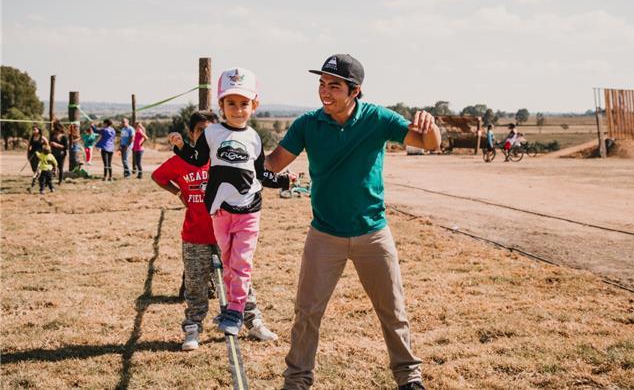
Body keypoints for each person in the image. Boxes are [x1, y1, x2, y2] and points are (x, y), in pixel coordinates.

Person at [262, 54, 441, 390]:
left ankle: (409, 378)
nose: (324, 92)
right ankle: (297, 380)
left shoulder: (379, 119)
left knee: (393, 311)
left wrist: (431, 130)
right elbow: (273, 163)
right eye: (321, 84)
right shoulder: (307, 124)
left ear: (355, 91)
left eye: (334, 85)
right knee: (307, 313)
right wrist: (240, 149)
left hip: (373, 233)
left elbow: (429, 144)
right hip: (324, 234)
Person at [169, 67, 291, 336]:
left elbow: (260, 174)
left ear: (254, 105)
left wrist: (283, 180)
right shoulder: (211, 134)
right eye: (231, 103)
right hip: (220, 212)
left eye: (244, 103)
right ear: (221, 105)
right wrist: (180, 147)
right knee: (227, 261)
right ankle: (229, 311)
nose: (238, 109)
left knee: (242, 262)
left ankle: (236, 311)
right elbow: (198, 160)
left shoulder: (254, 138)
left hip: (249, 210)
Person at [154, 111, 279, 350]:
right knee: (195, 286)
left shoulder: (227, 159)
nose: (207, 135)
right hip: (196, 235)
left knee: (241, 280)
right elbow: (158, 176)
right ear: (192, 134)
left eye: (211, 130)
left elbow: (255, 179)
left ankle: (253, 322)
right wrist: (179, 193)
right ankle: (192, 329)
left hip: (226, 234)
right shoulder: (185, 160)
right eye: (200, 131)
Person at [27, 125, 49, 190]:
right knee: (34, 170)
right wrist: (28, 154)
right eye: (33, 129)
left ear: (38, 130)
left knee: (37, 169)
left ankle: (35, 183)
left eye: (35, 129)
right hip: (32, 155)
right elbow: (29, 147)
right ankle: (41, 182)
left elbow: (47, 146)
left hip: (39, 156)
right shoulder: (32, 138)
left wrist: (46, 153)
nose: (34, 131)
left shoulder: (42, 138)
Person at [49, 121, 68, 185]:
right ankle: (50, 180)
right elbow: (49, 142)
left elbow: (66, 147)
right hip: (53, 153)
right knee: (52, 167)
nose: (55, 131)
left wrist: (57, 145)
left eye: (57, 130)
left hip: (61, 154)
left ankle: (60, 181)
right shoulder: (52, 134)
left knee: (60, 168)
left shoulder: (64, 137)